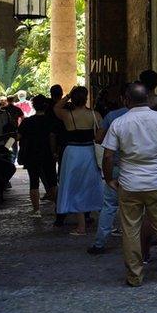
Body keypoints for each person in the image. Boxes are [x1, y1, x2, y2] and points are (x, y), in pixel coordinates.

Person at [101, 83, 157, 287]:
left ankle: (135, 275)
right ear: (148, 98)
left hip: (129, 183)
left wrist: (109, 178)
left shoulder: (119, 123)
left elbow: (109, 155)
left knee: (130, 230)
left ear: (126, 100)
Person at [54, 87, 104, 236]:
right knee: (92, 184)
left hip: (73, 153)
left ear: (73, 99)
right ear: (86, 98)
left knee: (75, 187)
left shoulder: (67, 115)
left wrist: (68, 95)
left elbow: (56, 106)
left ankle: (81, 227)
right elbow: (101, 133)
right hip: (89, 151)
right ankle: (104, 222)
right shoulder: (95, 115)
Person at [88, 85, 130, 255]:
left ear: (123, 98)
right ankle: (145, 240)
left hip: (117, 166)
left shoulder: (113, 116)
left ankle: (100, 242)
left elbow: (99, 139)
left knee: (109, 205)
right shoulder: (155, 117)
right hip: (142, 169)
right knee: (142, 207)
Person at [18, 95, 58, 217]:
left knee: (33, 182)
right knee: (52, 182)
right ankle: (59, 207)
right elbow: (52, 137)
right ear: (46, 106)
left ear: (33, 106)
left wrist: (6, 146)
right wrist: (54, 152)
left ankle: (36, 210)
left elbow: (18, 136)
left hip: (31, 154)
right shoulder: (51, 121)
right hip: (47, 154)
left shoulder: (27, 122)